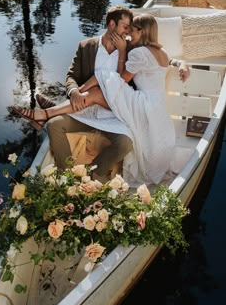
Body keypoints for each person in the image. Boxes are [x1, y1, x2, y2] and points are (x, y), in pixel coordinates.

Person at [13, 13, 181, 187]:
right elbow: (71, 76)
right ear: (111, 24)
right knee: (54, 124)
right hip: (86, 109)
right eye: (125, 27)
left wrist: (177, 63)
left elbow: (130, 73)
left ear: (142, 31)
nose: (127, 34)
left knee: (104, 84)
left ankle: (97, 173)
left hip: (115, 113)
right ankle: (66, 177)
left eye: (131, 29)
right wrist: (74, 92)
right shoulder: (87, 46)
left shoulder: (131, 48)